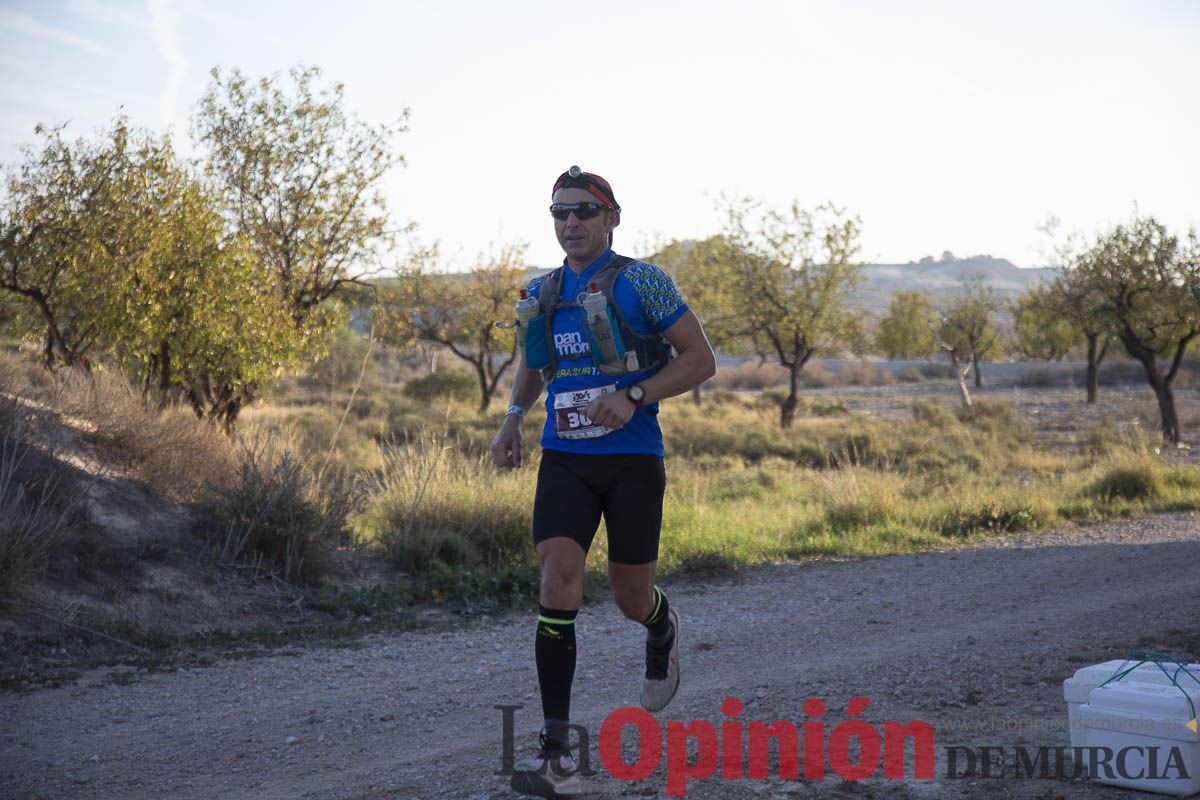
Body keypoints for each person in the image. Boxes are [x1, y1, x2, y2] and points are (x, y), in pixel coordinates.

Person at [491, 166, 716, 797]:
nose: (571, 225)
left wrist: (636, 394)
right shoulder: (541, 290)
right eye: (559, 214)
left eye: (583, 213)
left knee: (627, 596)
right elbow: (535, 366)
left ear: (611, 217)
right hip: (564, 456)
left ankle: (661, 627)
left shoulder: (642, 280)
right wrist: (511, 421)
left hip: (632, 460)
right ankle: (558, 753)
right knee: (557, 578)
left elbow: (701, 359)